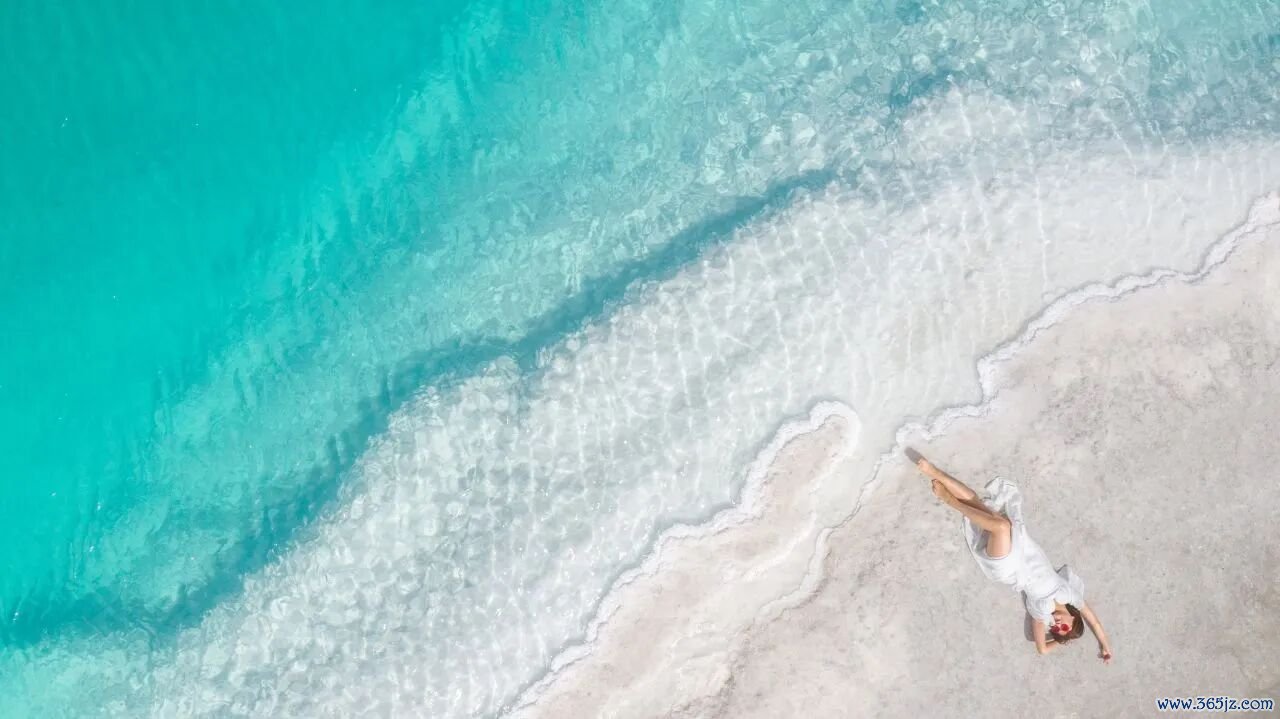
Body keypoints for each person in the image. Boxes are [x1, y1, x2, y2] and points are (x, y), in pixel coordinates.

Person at [909, 451, 1114, 662]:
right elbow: (1095, 623)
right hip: (1022, 546)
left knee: (1000, 526)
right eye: (1063, 628)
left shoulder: (1040, 613)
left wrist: (1060, 642)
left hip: (1009, 568)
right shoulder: (1071, 596)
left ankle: (950, 500)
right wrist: (1104, 646)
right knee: (979, 505)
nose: (1055, 626)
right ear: (1074, 619)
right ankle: (934, 472)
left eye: (1055, 630)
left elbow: (1042, 650)